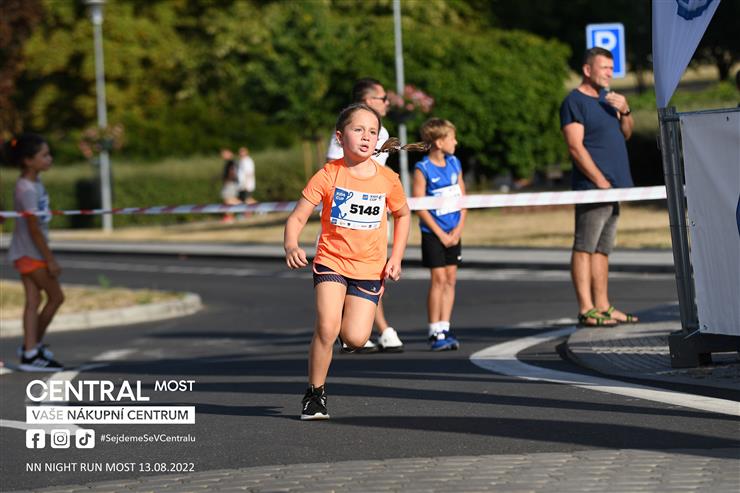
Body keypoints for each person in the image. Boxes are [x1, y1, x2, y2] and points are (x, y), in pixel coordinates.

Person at [285, 103, 411, 420]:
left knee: (355, 338)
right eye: (358, 130)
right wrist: (291, 244)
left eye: (373, 132)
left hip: (369, 267)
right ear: (340, 137)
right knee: (327, 328)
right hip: (332, 261)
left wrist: (396, 256)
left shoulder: (388, 179)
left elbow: (403, 215)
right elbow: (297, 217)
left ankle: (344, 324)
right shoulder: (329, 175)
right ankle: (315, 394)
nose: (366, 137)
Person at [560, 47, 639, 327]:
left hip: (614, 187)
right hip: (593, 187)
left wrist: (625, 110)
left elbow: (626, 134)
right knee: (585, 246)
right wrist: (599, 181)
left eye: (610, 68)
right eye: (604, 67)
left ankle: (603, 306)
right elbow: (575, 146)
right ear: (587, 69)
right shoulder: (574, 101)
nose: (609, 73)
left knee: (603, 248)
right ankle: (586, 308)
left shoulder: (608, 100)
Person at [326, 77, 404, 353]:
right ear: (369, 100)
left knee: (374, 270)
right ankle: (377, 329)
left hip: (376, 215)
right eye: (383, 99)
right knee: (355, 271)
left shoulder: (383, 132)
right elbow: (333, 167)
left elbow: (380, 173)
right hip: (350, 216)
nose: (387, 103)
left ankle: (365, 327)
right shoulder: (348, 130)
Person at [5, 134, 65, 371]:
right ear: (28, 160)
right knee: (56, 297)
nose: (49, 159)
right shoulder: (27, 189)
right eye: (44, 155)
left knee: (33, 300)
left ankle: (30, 349)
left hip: (26, 252)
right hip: (31, 254)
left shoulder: (34, 183)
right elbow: (33, 228)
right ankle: (32, 349)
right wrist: (50, 259)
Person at [413, 118, 466, 350]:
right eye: (451, 138)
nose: (456, 142)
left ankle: (445, 327)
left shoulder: (455, 163)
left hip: (453, 231)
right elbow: (419, 206)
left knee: (451, 279)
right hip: (433, 233)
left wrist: (457, 230)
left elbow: (463, 200)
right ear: (438, 142)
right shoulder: (422, 169)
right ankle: (434, 331)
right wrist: (440, 234)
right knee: (439, 279)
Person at [219, 149, 240, 223]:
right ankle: (230, 216)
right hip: (231, 183)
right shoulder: (231, 162)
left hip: (230, 183)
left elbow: (232, 172)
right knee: (230, 200)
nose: (222, 155)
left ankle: (230, 217)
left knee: (228, 200)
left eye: (224, 154)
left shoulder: (231, 162)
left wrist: (228, 180)